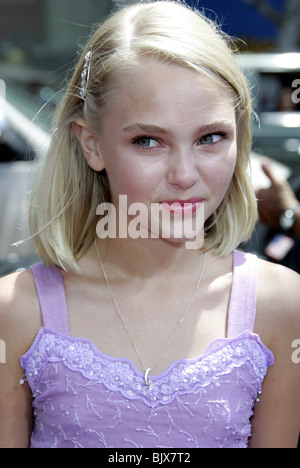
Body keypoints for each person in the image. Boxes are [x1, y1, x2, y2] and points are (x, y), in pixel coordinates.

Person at [0, 1, 299, 449]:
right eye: (148, 141)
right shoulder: (18, 312)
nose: (184, 174)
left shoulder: (280, 305)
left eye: (210, 137)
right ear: (91, 145)